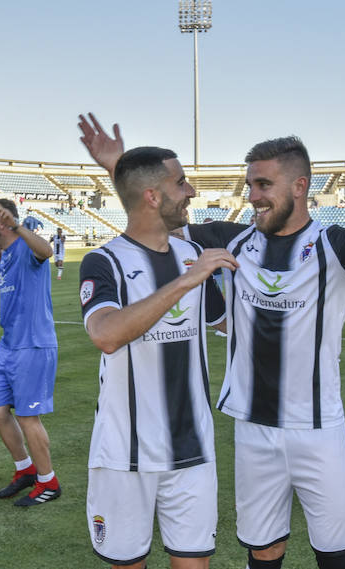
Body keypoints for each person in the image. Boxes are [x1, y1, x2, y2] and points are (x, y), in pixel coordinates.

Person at [79, 114, 345, 569]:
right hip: (252, 427)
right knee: (262, 549)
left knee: (334, 552)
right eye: (249, 186)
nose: (252, 196)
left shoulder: (334, 242)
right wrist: (119, 166)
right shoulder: (231, 239)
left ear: (299, 187)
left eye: (263, 185)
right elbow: (153, 213)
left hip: (319, 425)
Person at [77, 144, 234, 568]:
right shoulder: (103, 261)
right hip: (126, 454)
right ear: (152, 196)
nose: (192, 190)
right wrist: (188, 281)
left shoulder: (189, 255)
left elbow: (225, 323)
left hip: (192, 446)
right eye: (180, 182)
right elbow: (106, 334)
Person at [0, 199, 61, 506]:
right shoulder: (4, 253)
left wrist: (17, 226)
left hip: (34, 344)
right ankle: (25, 469)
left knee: (28, 417)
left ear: (2, 222)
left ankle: (49, 482)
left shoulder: (27, 248)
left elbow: (47, 252)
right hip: (9, 344)